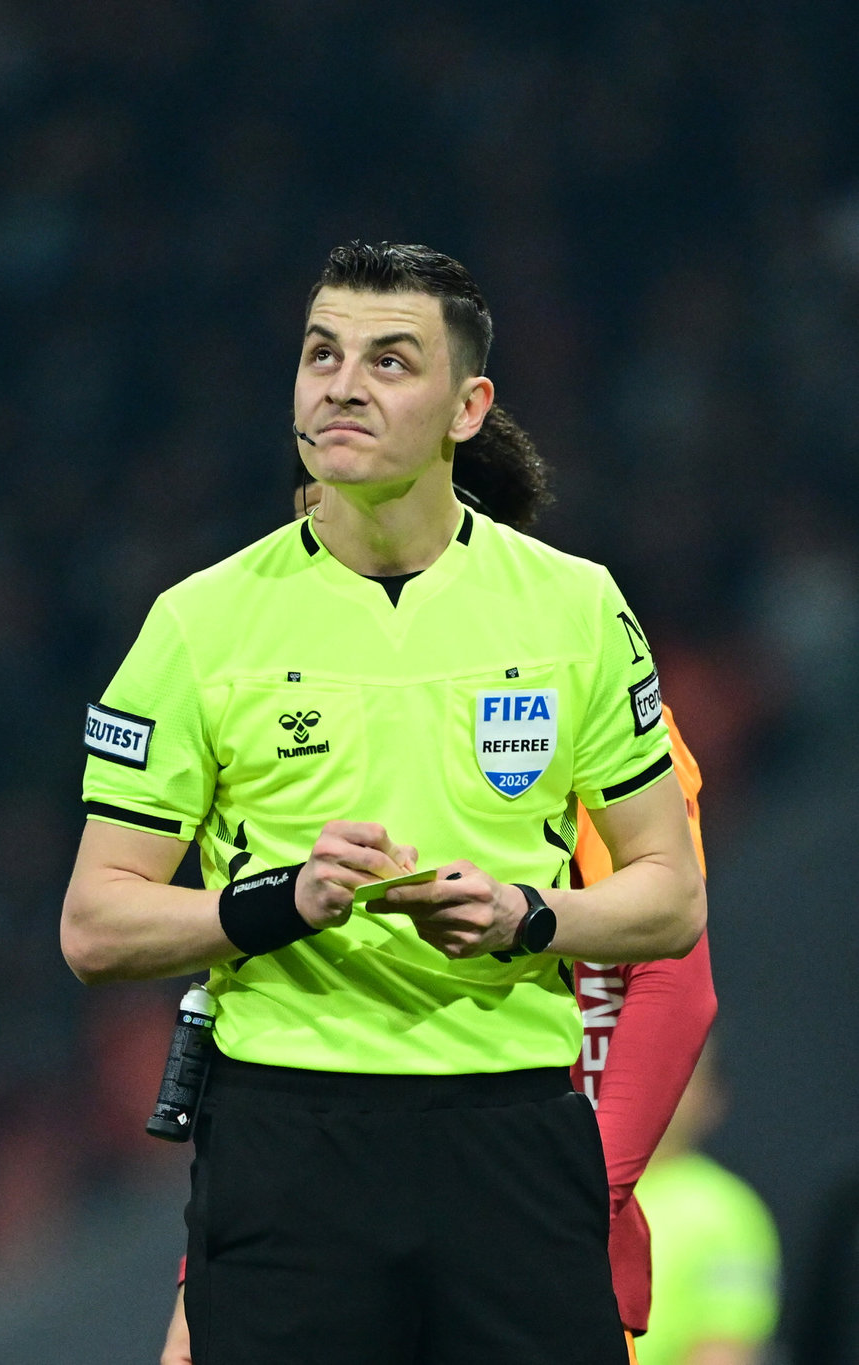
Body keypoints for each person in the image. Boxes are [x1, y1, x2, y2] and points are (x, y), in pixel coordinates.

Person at [62, 240, 705, 1364]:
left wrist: (527, 915)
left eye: (388, 360)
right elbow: (93, 925)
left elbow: (670, 901)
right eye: (321, 353)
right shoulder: (196, 625)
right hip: (285, 1139)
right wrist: (276, 902)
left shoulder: (573, 611)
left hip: (510, 1131)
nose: (340, 383)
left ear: (469, 407)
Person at [632, 1046, 781, 1365]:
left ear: (711, 1098)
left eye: (681, 1076)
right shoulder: (566, 1188)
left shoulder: (728, 1211)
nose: (655, 1088)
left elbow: (726, 1350)